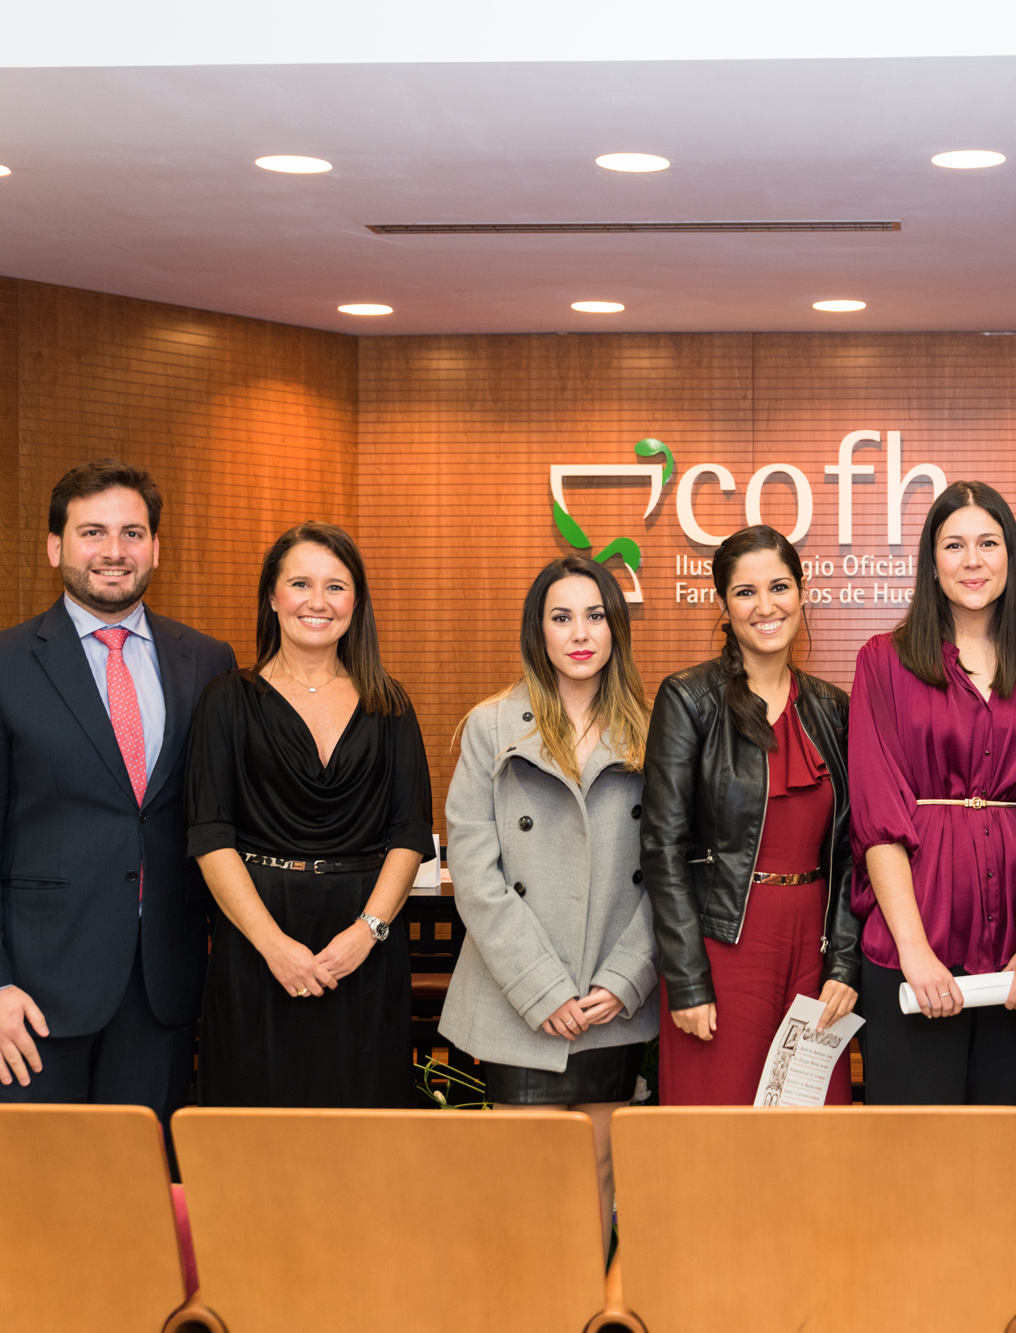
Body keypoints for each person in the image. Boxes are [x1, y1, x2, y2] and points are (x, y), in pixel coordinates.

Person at [0, 460, 236, 1118]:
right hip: (29, 997)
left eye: (132, 533)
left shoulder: (208, 660)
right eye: (92, 532)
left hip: (161, 989)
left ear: (156, 547)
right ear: (55, 547)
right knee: (28, 1179)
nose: (114, 551)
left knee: (139, 1177)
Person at [441, 556, 656, 1250]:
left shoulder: (652, 728)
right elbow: (475, 871)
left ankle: (591, 1302)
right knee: (526, 1178)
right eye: (561, 617)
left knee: (600, 1169)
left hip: (609, 999)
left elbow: (672, 870)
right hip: (519, 995)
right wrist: (541, 988)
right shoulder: (491, 725)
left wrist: (624, 980)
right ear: (538, 630)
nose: (580, 633)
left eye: (595, 615)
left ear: (617, 627)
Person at [848, 480, 1016, 1134]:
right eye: (954, 545)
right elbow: (877, 820)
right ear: (931, 560)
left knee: (1011, 1145)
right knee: (917, 1150)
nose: (972, 561)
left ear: (1011, 556)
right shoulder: (884, 661)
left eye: (988, 543)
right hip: (915, 944)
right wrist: (915, 952)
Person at [186, 522, 433, 1106]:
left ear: (357, 602)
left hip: (364, 944)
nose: (317, 601)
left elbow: (408, 833)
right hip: (257, 940)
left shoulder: (390, 702)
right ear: (272, 597)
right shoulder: (226, 699)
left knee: (365, 1124)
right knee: (255, 1125)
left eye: (336, 586)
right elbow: (211, 836)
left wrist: (367, 933)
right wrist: (273, 946)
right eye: (300, 583)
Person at [641, 525, 860, 1104]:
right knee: (719, 1127)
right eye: (745, 592)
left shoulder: (834, 708)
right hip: (724, 945)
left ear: (802, 592)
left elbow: (851, 852)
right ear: (723, 603)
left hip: (813, 949)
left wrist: (843, 965)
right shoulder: (689, 699)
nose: (766, 606)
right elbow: (662, 848)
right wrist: (686, 978)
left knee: (810, 1125)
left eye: (779, 587)